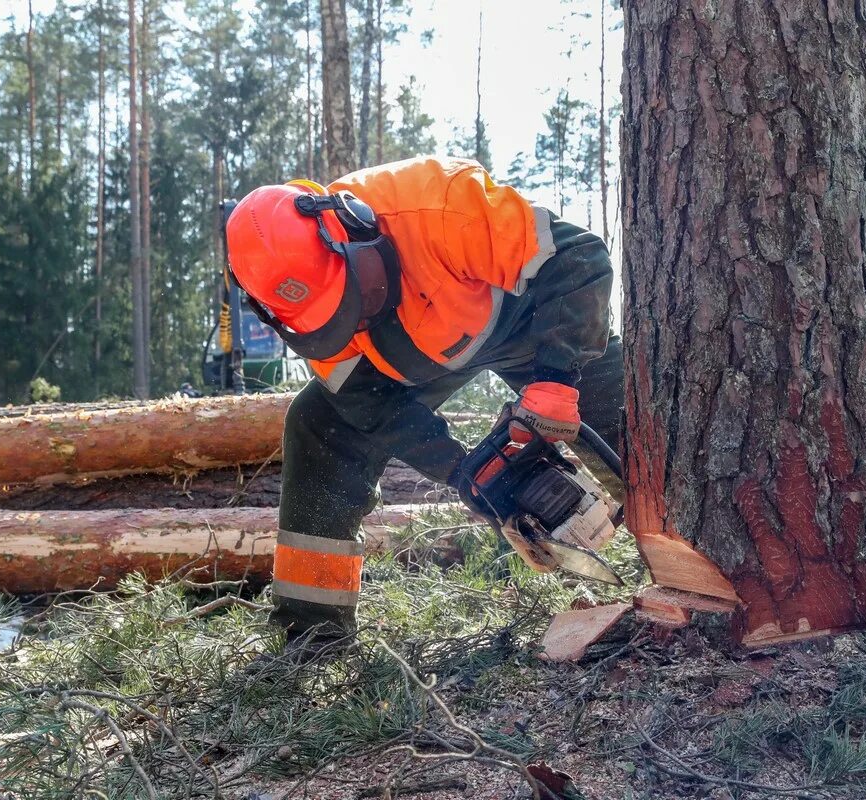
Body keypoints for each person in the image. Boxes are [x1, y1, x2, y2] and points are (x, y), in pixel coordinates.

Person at [225, 156, 623, 657]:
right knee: (318, 424)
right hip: (405, 357)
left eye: (351, 299)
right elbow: (367, 405)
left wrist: (555, 382)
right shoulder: (307, 318)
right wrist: (464, 473)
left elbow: (578, 260)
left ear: (351, 230)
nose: (348, 318)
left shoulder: (439, 205)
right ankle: (313, 633)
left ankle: (698, 563)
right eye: (332, 321)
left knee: (638, 422)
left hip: (526, 319)